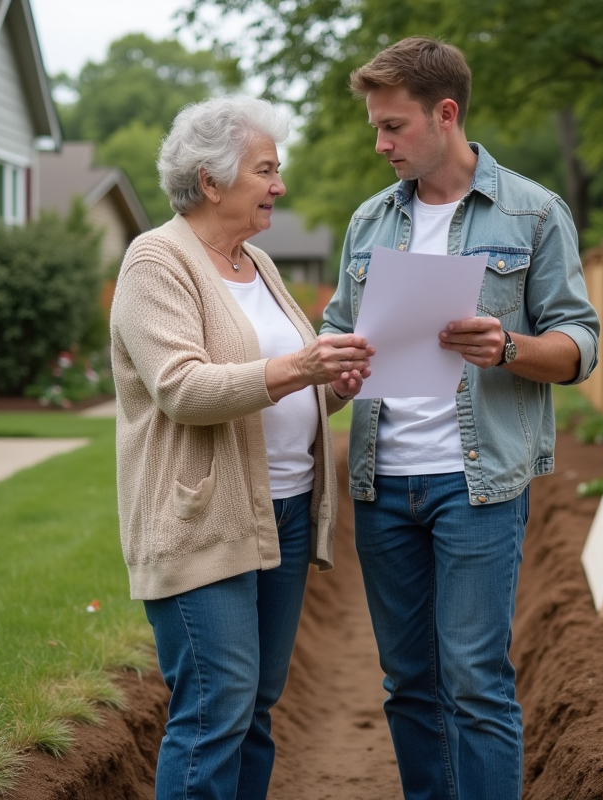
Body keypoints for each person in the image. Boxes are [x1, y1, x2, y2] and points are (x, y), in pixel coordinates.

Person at [320, 37, 601, 800]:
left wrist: (507, 345)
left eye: (393, 127)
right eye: (376, 127)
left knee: (476, 682)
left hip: (476, 487)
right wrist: (333, 366)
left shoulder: (534, 211)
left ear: (446, 115)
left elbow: (581, 345)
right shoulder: (370, 222)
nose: (380, 144)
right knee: (409, 683)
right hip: (383, 485)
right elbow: (335, 336)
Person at [110, 95, 373, 800]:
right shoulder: (155, 261)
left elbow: (282, 385)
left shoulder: (256, 263)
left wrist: (334, 385)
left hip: (282, 515)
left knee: (254, 708)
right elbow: (183, 389)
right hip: (203, 520)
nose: (279, 186)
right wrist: (300, 367)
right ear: (211, 181)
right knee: (214, 710)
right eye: (266, 170)